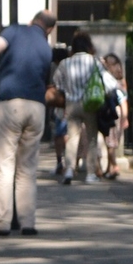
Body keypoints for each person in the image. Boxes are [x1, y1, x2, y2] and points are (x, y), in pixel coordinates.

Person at [0, 10, 59, 235]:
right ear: (49, 30)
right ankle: (27, 223)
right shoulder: (46, 48)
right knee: (27, 168)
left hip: (10, 104)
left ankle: (1, 222)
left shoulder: (14, 31)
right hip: (37, 108)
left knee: (4, 166)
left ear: (33, 20)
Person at [51, 36, 105, 185]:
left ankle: (69, 169)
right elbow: (106, 80)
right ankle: (90, 173)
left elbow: (57, 83)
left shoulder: (65, 63)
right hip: (90, 103)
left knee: (72, 137)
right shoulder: (94, 61)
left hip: (71, 103)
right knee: (92, 138)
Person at [97, 53, 129, 178]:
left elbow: (123, 101)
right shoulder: (120, 80)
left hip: (113, 113)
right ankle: (109, 168)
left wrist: (124, 118)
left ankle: (114, 166)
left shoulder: (111, 81)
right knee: (110, 142)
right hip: (115, 113)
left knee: (111, 143)